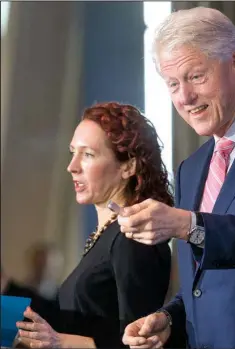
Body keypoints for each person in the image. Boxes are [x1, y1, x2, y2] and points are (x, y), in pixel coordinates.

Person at [120, 6, 235, 349]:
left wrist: (188, 224)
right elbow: (206, 283)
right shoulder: (191, 168)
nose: (185, 98)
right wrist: (170, 318)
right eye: (173, 84)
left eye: (196, 76)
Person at [16, 102, 173, 348]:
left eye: (87, 154)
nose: (72, 167)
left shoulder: (134, 237)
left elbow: (139, 342)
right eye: (72, 153)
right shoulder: (107, 234)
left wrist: (59, 342)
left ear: (128, 166)